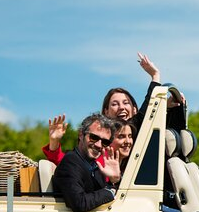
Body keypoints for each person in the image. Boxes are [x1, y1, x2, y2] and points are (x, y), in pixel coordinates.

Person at [55, 114, 191, 212]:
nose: (99, 145)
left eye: (104, 142)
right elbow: (79, 203)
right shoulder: (71, 162)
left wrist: (113, 181)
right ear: (81, 135)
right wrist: (110, 191)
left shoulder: (91, 164)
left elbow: (106, 197)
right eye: (93, 138)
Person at [42, 53, 184, 165]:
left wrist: (158, 85)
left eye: (126, 103)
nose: (121, 107)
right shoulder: (98, 137)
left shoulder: (139, 127)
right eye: (115, 104)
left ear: (134, 109)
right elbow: (72, 162)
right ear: (105, 112)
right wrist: (54, 142)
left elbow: (147, 112)